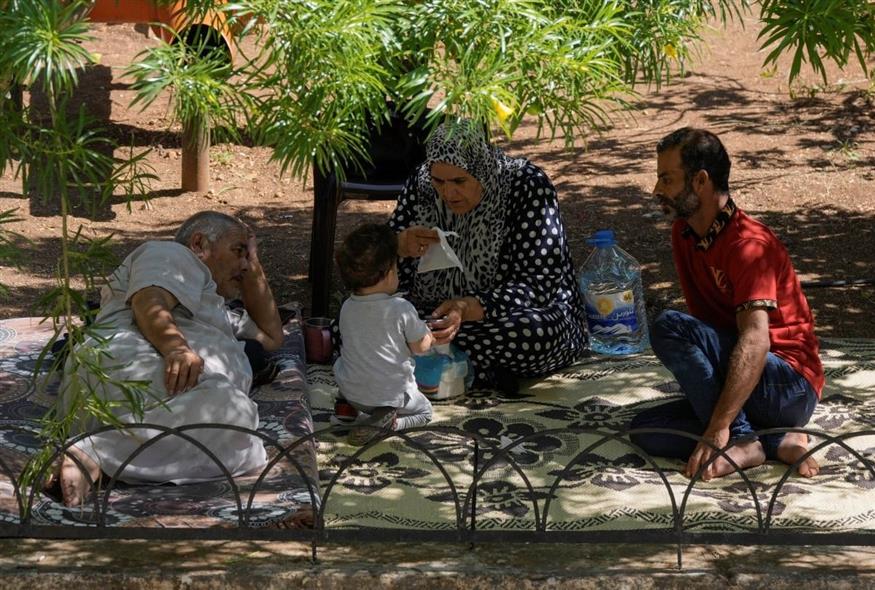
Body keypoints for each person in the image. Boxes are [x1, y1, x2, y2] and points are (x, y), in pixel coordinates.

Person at [630, 127, 824, 480]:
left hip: (789, 385)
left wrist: (721, 425)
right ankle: (774, 440)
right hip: (748, 380)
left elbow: (755, 340)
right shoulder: (684, 232)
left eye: (667, 179)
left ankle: (741, 439)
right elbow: (714, 336)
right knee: (646, 429)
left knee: (669, 325)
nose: (657, 190)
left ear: (700, 181)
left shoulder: (749, 245)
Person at [54, 211, 284, 506]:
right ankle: (100, 451)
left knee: (240, 437)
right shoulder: (172, 254)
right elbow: (149, 299)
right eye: (238, 250)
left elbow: (272, 336)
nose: (243, 264)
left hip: (151, 404)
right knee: (236, 417)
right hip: (133, 378)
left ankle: (97, 451)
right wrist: (175, 348)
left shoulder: (215, 308)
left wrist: (253, 264)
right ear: (199, 243)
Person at [388, 119, 588, 392]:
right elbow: (381, 268)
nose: (448, 192)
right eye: (439, 181)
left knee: (532, 335)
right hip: (435, 318)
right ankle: (463, 366)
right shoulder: (420, 183)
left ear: (482, 170)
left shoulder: (526, 185)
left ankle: (426, 363)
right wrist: (397, 246)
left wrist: (467, 308)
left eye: (459, 181)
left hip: (507, 317)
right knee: (355, 323)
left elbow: (539, 285)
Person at [333, 223, 435, 446]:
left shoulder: (347, 306)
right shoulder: (401, 308)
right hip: (390, 396)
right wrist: (429, 334)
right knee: (426, 411)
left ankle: (345, 407)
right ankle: (391, 424)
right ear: (390, 273)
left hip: (351, 391)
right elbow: (421, 347)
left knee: (350, 361)